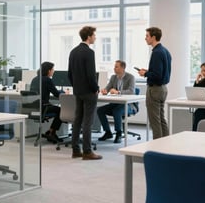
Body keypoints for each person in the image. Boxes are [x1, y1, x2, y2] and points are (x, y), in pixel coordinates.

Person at [68, 26, 102, 160]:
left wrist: (76, 86)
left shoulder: (73, 51)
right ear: (88, 36)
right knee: (87, 121)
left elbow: (70, 74)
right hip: (88, 92)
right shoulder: (89, 52)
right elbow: (91, 75)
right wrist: (95, 88)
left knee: (77, 120)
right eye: (94, 35)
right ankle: (87, 151)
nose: (95, 37)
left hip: (78, 91)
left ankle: (76, 150)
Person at [137, 27, 172, 139]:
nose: (145, 38)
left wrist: (145, 74)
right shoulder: (165, 51)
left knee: (155, 122)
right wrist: (148, 72)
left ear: (153, 37)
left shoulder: (157, 52)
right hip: (163, 89)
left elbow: (156, 76)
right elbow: (161, 73)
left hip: (155, 89)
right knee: (161, 119)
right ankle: (165, 145)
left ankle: (157, 148)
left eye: (147, 36)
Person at [97, 60, 135, 144]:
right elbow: (108, 87)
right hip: (115, 104)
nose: (114, 68)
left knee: (117, 111)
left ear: (123, 68)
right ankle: (108, 132)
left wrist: (118, 92)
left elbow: (131, 91)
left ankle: (118, 133)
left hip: (128, 105)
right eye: (114, 66)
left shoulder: (130, 77)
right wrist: (104, 91)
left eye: (116, 67)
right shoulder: (113, 77)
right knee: (100, 110)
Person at [30, 61, 65, 143]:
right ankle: (52, 132)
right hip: (43, 107)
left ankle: (51, 132)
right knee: (61, 110)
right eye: (53, 69)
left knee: (56, 108)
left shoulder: (35, 79)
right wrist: (63, 92)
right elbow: (56, 94)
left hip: (34, 106)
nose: (53, 71)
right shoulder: (47, 80)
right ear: (49, 71)